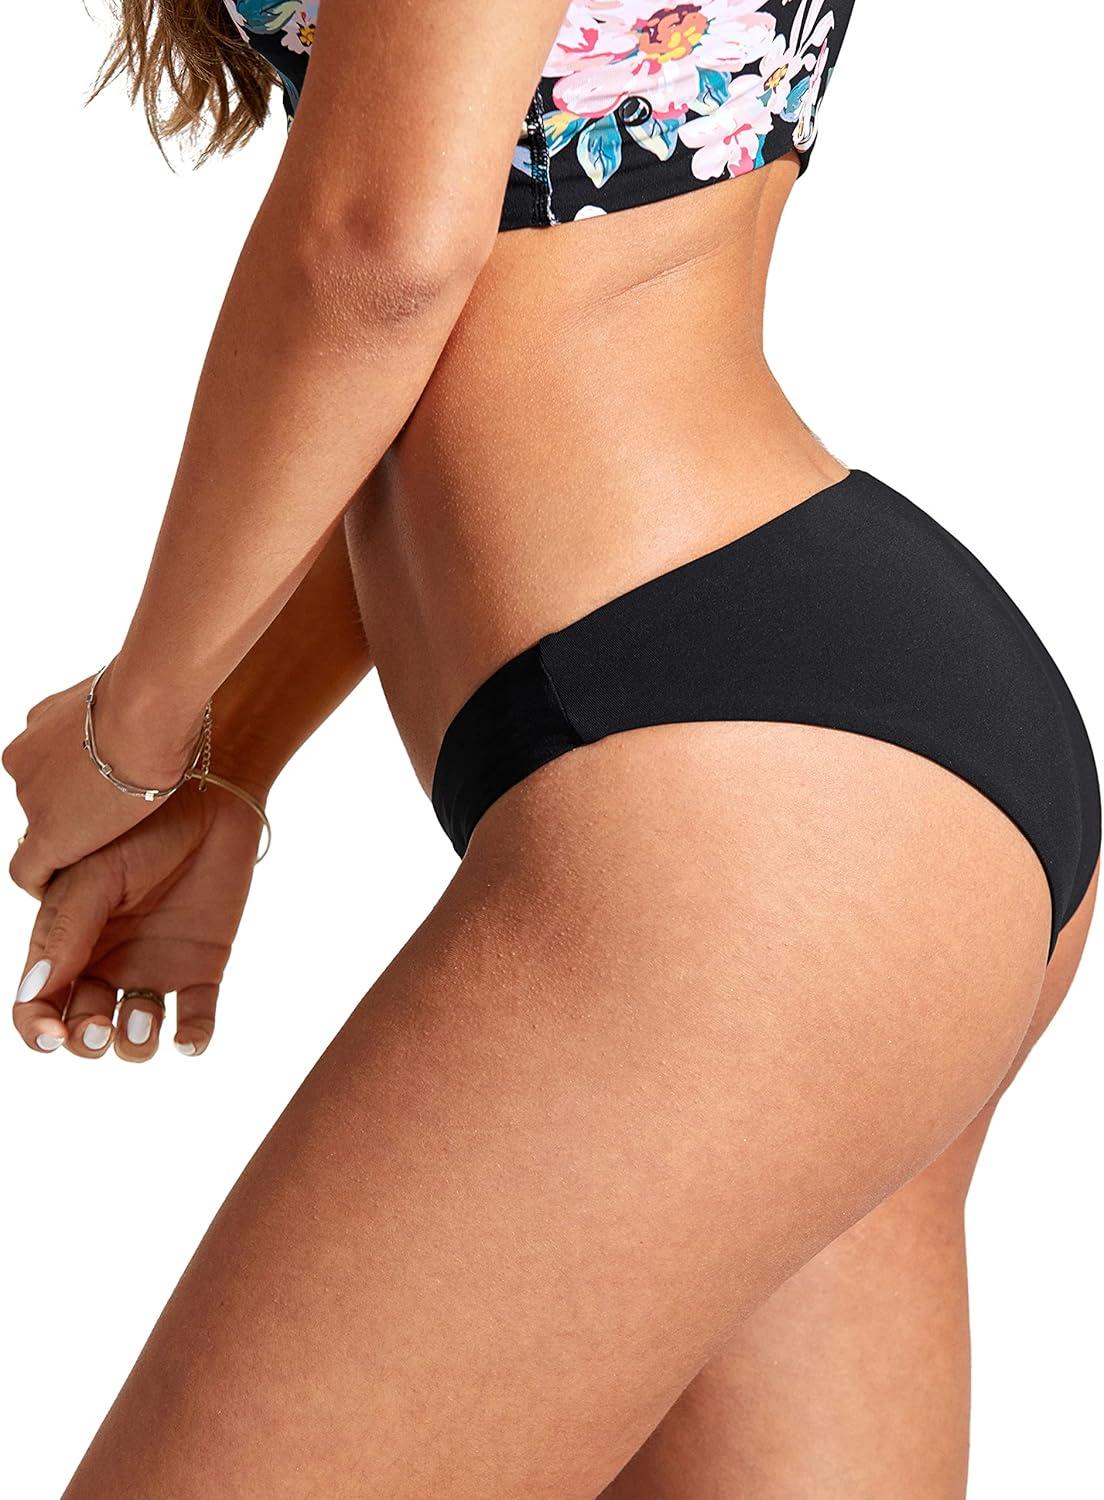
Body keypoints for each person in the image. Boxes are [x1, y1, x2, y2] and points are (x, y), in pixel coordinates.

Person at [6, 2, 1099, 1494]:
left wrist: (131, 732)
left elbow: (382, 259)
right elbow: (461, 313)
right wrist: (228, 753)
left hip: (747, 824)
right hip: (844, 777)